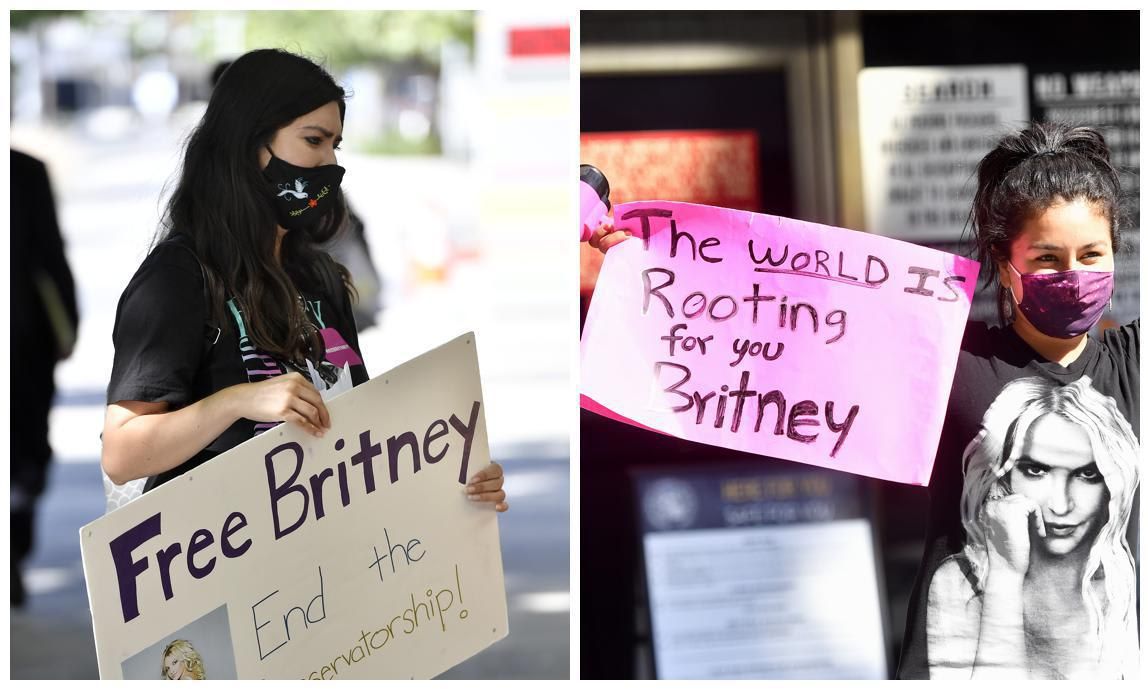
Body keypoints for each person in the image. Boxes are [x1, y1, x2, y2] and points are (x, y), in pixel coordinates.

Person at [101, 49, 506, 511]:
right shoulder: (177, 278)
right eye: (313, 140)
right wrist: (238, 401)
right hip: (224, 566)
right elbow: (122, 452)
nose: (329, 162)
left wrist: (457, 478)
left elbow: (361, 442)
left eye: (335, 144)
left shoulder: (318, 276)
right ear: (248, 144)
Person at [897, 121, 1139, 678]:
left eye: (1092, 254)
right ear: (1007, 268)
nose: (1074, 275)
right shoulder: (952, 364)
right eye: (1048, 258)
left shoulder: (1134, 367)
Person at [925, 376, 1138, 678]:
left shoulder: (1116, 577)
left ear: (1111, 485)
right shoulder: (959, 582)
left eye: (1087, 474)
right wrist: (1004, 573)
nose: (1061, 506)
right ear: (1002, 477)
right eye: (1036, 470)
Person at [10, 149, 80, 606]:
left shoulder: (26, 170)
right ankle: (12, 554)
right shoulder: (24, 170)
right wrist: (67, 325)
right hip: (22, 342)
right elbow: (51, 256)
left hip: (24, 342)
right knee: (23, 453)